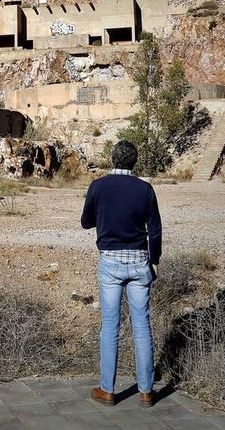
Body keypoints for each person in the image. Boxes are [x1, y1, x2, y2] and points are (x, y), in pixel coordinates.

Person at [80, 140, 162, 407]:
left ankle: (108, 389)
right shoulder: (145, 189)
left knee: (110, 326)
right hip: (139, 261)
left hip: (111, 262)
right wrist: (155, 259)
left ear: (113, 159)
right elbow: (156, 229)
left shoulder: (98, 186)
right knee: (142, 327)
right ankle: (147, 391)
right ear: (134, 162)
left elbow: (86, 222)